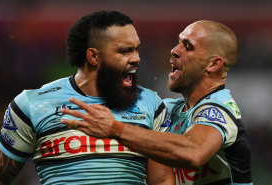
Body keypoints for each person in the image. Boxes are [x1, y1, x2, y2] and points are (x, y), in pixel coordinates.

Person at [60, 20, 253, 185]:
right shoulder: (166, 109)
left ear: (213, 64)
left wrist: (115, 128)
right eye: (178, 42)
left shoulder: (220, 109)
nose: (174, 50)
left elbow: (193, 151)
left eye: (188, 46)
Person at [0, 11, 175, 185]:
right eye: (124, 51)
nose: (136, 58)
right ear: (93, 56)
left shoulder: (152, 105)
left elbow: (161, 180)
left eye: (137, 50)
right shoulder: (32, 104)